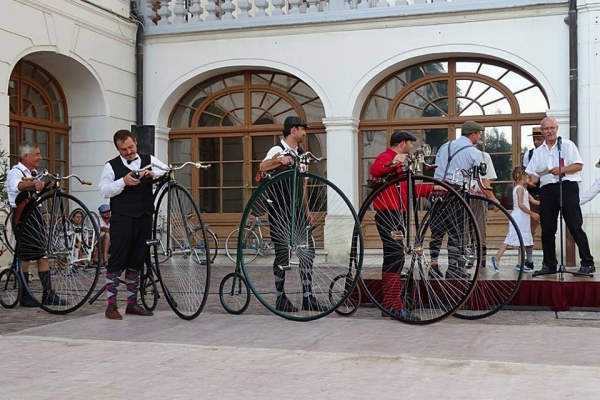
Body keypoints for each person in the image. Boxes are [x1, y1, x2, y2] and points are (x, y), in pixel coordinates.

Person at [99, 129, 168, 320]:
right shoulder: (110, 166)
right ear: (117, 149)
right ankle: (111, 306)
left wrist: (151, 173)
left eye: (130, 147)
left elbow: (166, 170)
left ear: (135, 142)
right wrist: (123, 181)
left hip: (144, 216)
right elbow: (104, 190)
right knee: (117, 259)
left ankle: (132, 304)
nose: (128, 152)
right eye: (123, 150)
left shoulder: (148, 158)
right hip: (122, 218)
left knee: (137, 260)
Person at [258, 115, 324, 313]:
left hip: (297, 210)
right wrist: (280, 160)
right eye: (303, 129)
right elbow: (262, 167)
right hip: (280, 209)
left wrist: (306, 210)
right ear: (293, 130)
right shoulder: (277, 149)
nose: (305, 133)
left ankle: (307, 296)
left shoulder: (302, 153)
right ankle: (280, 298)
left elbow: (303, 183)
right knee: (282, 253)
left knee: (307, 252)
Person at [369, 130, 430, 320]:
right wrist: (397, 160)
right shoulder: (386, 157)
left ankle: (389, 304)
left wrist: (436, 188)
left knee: (394, 258)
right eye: (410, 144)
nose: (411, 148)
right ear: (402, 144)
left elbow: (409, 189)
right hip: (387, 214)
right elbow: (376, 170)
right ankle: (394, 305)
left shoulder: (399, 165)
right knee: (395, 257)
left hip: (397, 214)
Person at [525, 117, 595, 274]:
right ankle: (549, 264)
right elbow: (534, 175)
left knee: (574, 225)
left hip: (567, 187)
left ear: (557, 128)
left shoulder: (567, 145)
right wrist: (530, 181)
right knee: (548, 228)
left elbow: (579, 165)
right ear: (542, 131)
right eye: (546, 129)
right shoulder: (538, 152)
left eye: (552, 128)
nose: (549, 131)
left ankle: (587, 262)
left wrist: (562, 170)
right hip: (547, 189)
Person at [6, 142, 66, 307]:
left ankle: (48, 294)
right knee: (25, 256)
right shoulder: (15, 172)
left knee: (43, 254)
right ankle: (25, 295)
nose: (40, 157)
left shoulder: (33, 173)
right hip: (23, 216)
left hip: (36, 215)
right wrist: (32, 184)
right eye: (37, 154)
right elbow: (16, 186)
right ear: (27, 156)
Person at [430, 121, 485, 279]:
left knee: (437, 231)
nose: (479, 136)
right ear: (473, 134)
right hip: (456, 193)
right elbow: (479, 173)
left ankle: (433, 264)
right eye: (478, 134)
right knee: (456, 232)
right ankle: (453, 268)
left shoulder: (444, 146)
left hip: (438, 192)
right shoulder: (473, 151)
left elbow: (437, 166)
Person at [492, 167, 539, 273]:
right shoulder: (520, 189)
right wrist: (532, 214)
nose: (530, 178)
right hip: (519, 217)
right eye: (528, 176)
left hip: (524, 218)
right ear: (523, 176)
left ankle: (520, 263)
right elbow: (521, 205)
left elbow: (534, 201)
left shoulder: (524, 189)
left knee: (522, 241)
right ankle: (496, 258)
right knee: (510, 238)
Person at [523, 127, 543, 239]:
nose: (536, 142)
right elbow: (526, 173)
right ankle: (529, 251)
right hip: (531, 192)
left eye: (539, 139)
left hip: (546, 191)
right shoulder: (528, 154)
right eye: (534, 139)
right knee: (530, 224)